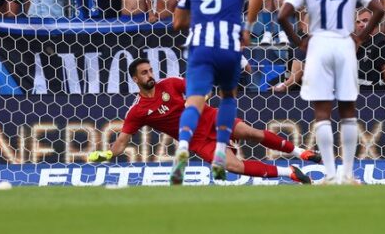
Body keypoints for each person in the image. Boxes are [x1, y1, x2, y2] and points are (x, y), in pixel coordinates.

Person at [88, 59, 315, 182]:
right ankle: (290, 173)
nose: (150, 75)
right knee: (233, 167)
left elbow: (202, 89)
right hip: (198, 142)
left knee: (250, 132)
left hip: (211, 118)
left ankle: (300, 152)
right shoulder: (137, 111)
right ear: (135, 79)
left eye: (150, 70)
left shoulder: (170, 84)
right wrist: (108, 154)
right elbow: (122, 142)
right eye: (144, 73)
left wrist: (194, 102)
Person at [278, 0, 385, 185]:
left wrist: (299, 42)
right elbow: (379, 8)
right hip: (343, 44)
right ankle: (347, 175)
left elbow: (282, 15)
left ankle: (329, 174)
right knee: (348, 110)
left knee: (322, 113)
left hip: (318, 45)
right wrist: (360, 37)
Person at [171, 0, 264, 184]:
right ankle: (221, 153)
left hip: (200, 48)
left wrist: (201, 21)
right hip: (228, 48)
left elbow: (177, 22)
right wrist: (248, 27)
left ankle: (182, 147)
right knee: (228, 96)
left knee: (194, 103)